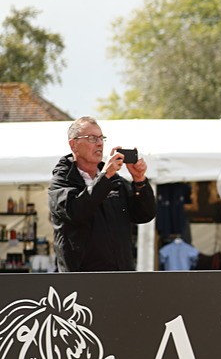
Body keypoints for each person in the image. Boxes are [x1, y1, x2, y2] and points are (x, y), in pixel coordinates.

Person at [49, 116, 156, 272]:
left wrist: (139, 180)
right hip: (82, 281)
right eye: (92, 138)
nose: (99, 143)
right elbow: (76, 212)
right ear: (74, 145)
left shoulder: (114, 180)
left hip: (121, 277)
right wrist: (105, 176)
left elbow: (144, 215)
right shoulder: (62, 181)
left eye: (101, 138)